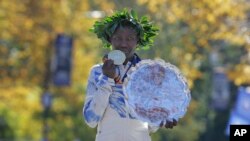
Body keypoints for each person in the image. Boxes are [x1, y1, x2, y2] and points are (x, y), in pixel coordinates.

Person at [83, 9, 177, 141]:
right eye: (118, 38)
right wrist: (106, 79)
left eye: (130, 39)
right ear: (110, 39)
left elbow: (150, 126)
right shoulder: (97, 72)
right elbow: (90, 120)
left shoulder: (148, 75)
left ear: (138, 41)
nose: (123, 44)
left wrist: (161, 119)